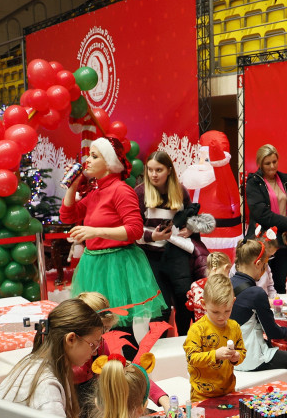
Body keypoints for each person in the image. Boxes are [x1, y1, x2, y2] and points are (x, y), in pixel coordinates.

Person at [61, 137, 166, 337]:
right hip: (94, 263)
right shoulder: (96, 192)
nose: (88, 161)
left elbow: (135, 230)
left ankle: (123, 365)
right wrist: (72, 186)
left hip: (117, 265)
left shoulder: (121, 190)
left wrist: (95, 231)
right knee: (97, 325)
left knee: (117, 326)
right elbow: (68, 215)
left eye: (94, 156)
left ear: (109, 162)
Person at [136, 150, 215, 335]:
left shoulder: (180, 191)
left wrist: (190, 229)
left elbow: (192, 221)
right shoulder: (140, 192)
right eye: (150, 170)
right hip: (150, 257)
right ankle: (158, 349)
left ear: (169, 170)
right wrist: (152, 237)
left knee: (184, 301)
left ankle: (187, 345)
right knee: (161, 307)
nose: (154, 175)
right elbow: (133, 230)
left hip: (177, 255)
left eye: (159, 170)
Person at [0, 299, 106, 418]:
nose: (94, 352)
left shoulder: (37, 361)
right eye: (93, 344)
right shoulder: (47, 389)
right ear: (71, 339)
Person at [231, 238, 287, 389]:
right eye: (265, 266)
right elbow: (272, 332)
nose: (265, 270)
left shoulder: (230, 282)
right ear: (258, 264)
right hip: (251, 358)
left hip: (232, 355)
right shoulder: (256, 293)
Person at [72, 291, 173, 416]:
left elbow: (129, 372)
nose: (103, 336)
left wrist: (165, 401)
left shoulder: (102, 345)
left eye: (108, 329)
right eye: (102, 330)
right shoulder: (69, 361)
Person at [245, 144, 287, 293]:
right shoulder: (253, 182)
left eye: (274, 162)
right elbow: (262, 214)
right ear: (260, 164)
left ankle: (278, 316)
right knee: (259, 285)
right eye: (267, 163)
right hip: (262, 241)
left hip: (283, 241)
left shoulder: (284, 180)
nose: (272, 166)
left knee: (279, 286)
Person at [184, 274, 247, 402]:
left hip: (228, 391)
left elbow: (242, 351)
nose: (221, 317)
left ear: (233, 302)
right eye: (215, 312)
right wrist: (215, 355)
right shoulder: (197, 329)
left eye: (227, 311)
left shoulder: (234, 327)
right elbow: (192, 358)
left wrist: (237, 357)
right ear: (204, 304)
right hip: (201, 395)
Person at [187, 251, 232, 322]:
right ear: (226, 268)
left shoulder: (195, 285)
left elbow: (189, 305)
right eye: (228, 271)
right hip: (219, 326)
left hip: (200, 327)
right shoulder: (225, 286)